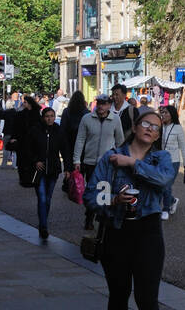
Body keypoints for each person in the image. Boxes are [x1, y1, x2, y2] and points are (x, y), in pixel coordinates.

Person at [82, 105, 175, 310]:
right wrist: (112, 200)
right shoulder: (110, 158)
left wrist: (132, 164)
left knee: (148, 299)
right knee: (119, 293)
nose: (150, 129)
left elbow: (163, 180)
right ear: (134, 128)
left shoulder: (161, 159)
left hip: (149, 234)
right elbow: (89, 197)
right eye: (146, 124)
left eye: (156, 127)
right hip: (117, 233)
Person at [74, 95, 125, 227]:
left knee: (104, 190)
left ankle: (101, 217)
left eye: (104, 104)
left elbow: (120, 141)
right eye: (99, 103)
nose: (101, 106)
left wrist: (121, 159)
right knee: (91, 191)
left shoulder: (115, 119)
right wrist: (77, 160)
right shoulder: (87, 119)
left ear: (109, 105)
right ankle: (89, 215)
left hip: (107, 163)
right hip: (89, 162)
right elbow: (80, 140)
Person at [29, 106, 67, 240]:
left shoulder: (58, 130)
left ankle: (43, 221)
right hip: (39, 170)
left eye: (52, 116)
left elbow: (64, 149)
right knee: (42, 198)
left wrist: (68, 167)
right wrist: (35, 161)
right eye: (47, 116)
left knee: (48, 198)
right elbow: (29, 148)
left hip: (53, 169)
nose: (50, 118)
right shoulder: (36, 130)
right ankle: (43, 226)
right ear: (43, 117)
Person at [159, 105, 185, 216]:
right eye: (163, 113)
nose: (164, 115)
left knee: (166, 185)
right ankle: (172, 200)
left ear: (172, 115)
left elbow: (183, 146)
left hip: (173, 161)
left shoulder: (178, 128)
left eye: (166, 113)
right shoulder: (159, 126)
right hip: (161, 160)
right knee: (161, 185)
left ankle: (166, 209)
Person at [59, 91, 88, 173]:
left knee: (69, 169)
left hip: (68, 143)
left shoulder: (66, 112)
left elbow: (62, 129)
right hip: (82, 146)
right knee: (80, 172)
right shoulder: (86, 113)